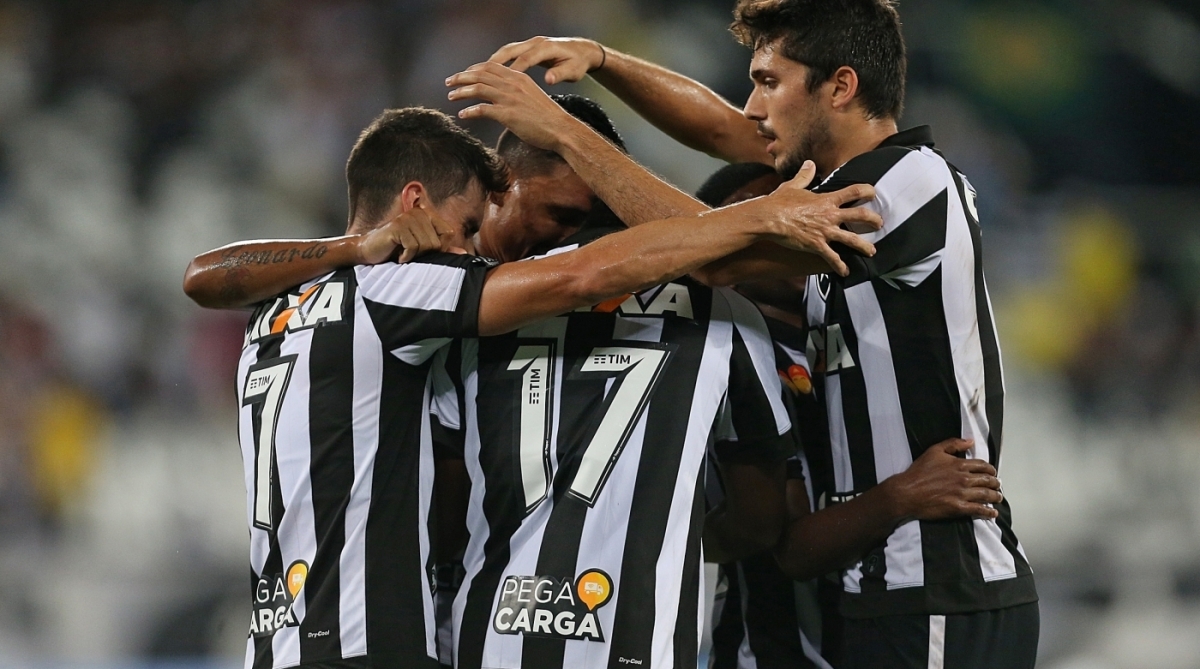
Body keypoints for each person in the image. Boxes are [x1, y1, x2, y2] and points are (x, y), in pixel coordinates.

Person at [186, 104, 886, 669]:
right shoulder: (412, 291)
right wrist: (748, 222)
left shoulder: (278, 304)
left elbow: (201, 277)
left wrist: (350, 248)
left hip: (278, 639)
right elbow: (582, 276)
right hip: (376, 639)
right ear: (412, 202)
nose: (465, 251)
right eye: (462, 228)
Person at [446, 0, 1039, 665]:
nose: (752, 109)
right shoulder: (834, 196)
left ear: (840, 88)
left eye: (768, 82)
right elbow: (728, 134)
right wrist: (601, 59)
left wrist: (562, 131)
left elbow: (717, 254)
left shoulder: (911, 183)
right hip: (880, 584)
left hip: (940, 583)